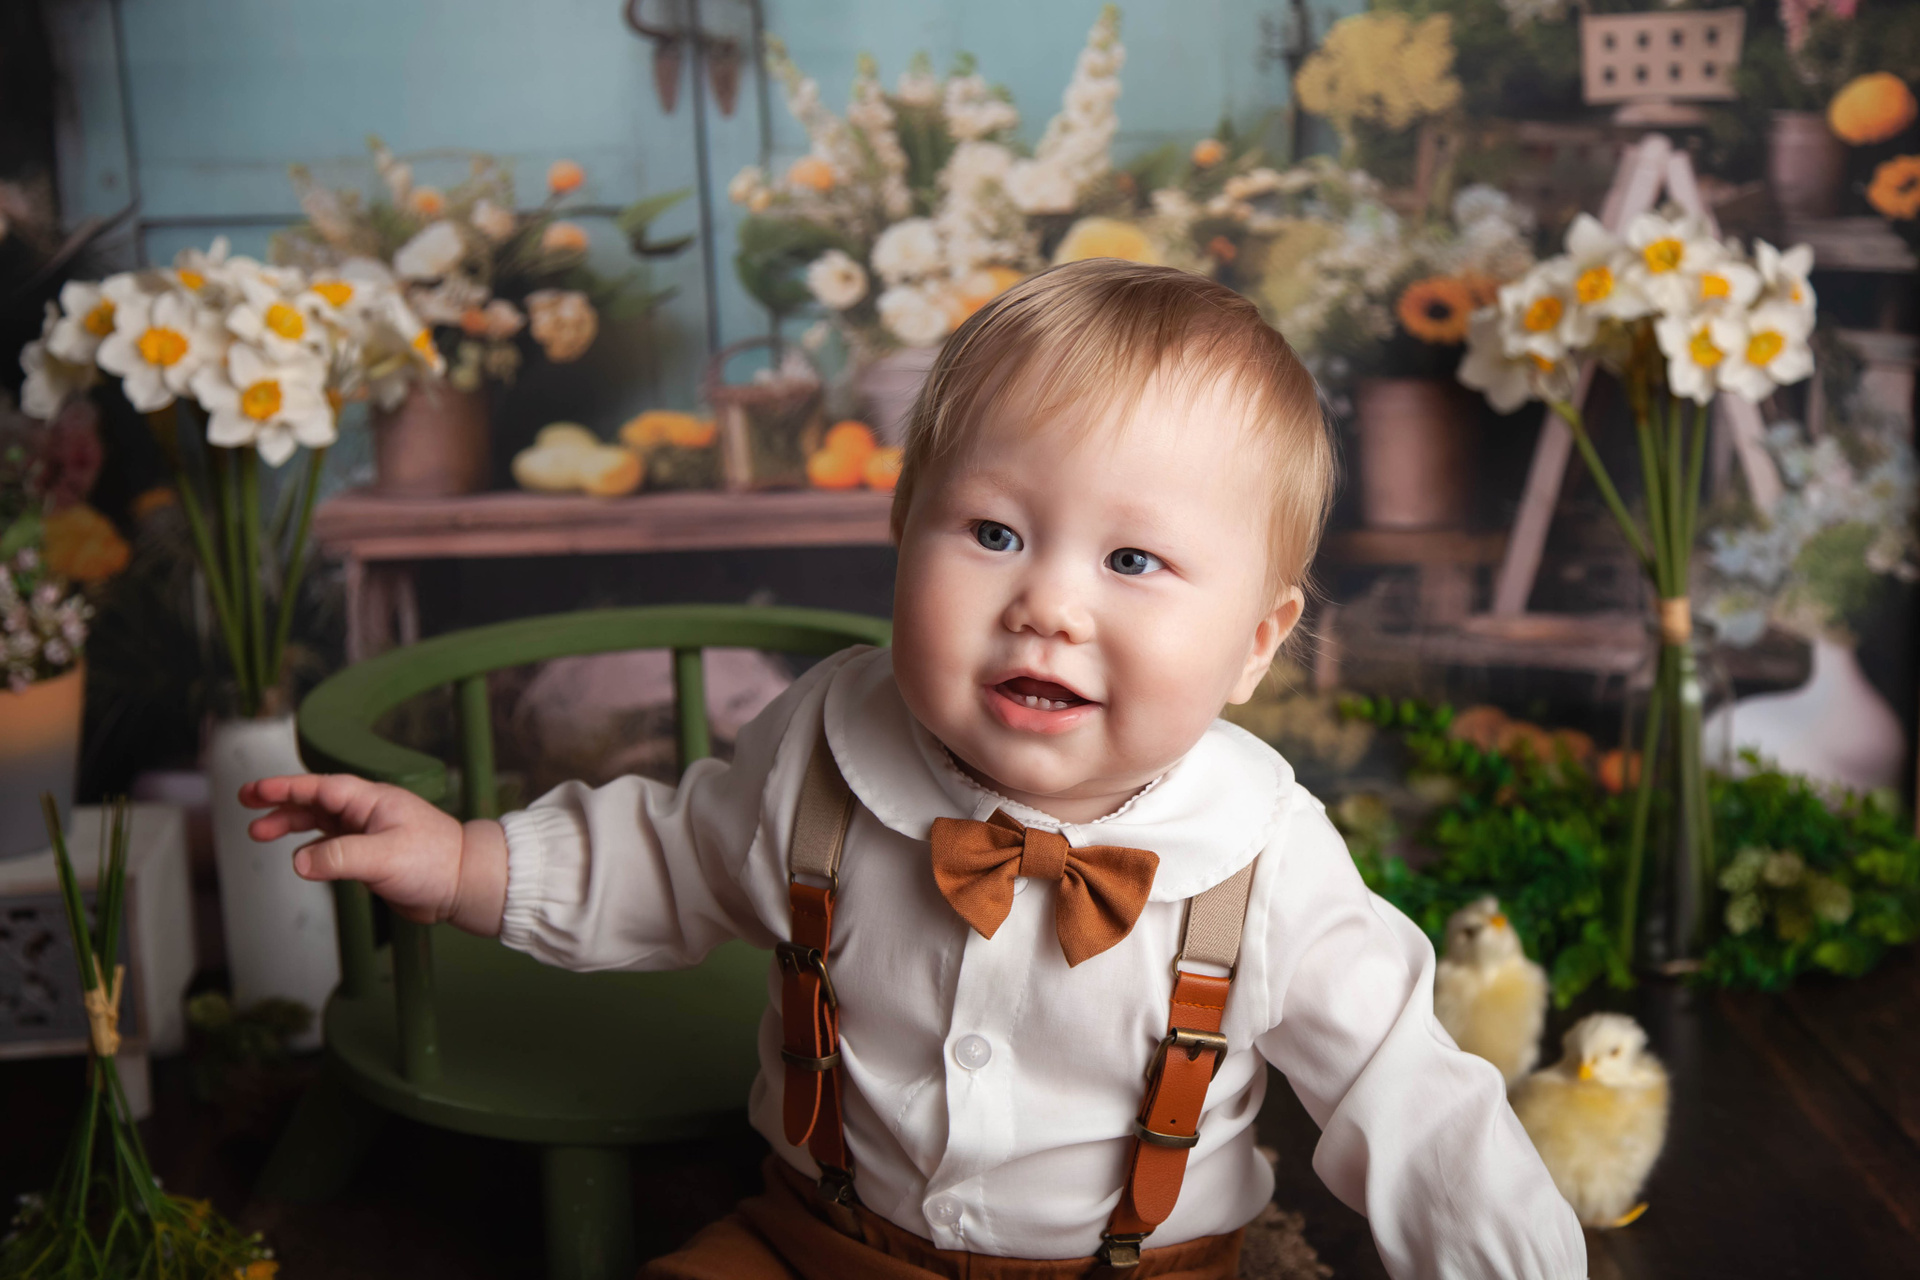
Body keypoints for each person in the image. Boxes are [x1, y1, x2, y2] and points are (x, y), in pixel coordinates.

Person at [243, 260, 1586, 1279]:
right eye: (993, 533)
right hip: (817, 1236)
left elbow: (1410, 1101)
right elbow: (667, 856)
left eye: (1133, 560)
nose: (1048, 604)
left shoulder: (1267, 856)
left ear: (1255, 642)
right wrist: (464, 862)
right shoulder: (826, 745)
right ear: (902, 533)